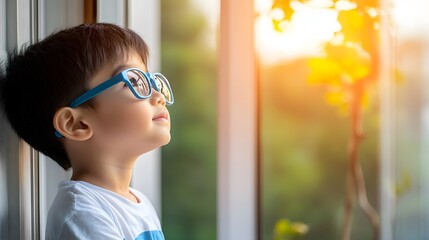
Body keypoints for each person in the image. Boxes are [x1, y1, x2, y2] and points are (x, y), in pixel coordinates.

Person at [0, 23, 174, 240]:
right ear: (77, 124)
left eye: (151, 80)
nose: (157, 95)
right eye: (134, 81)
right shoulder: (81, 213)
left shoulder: (137, 201)